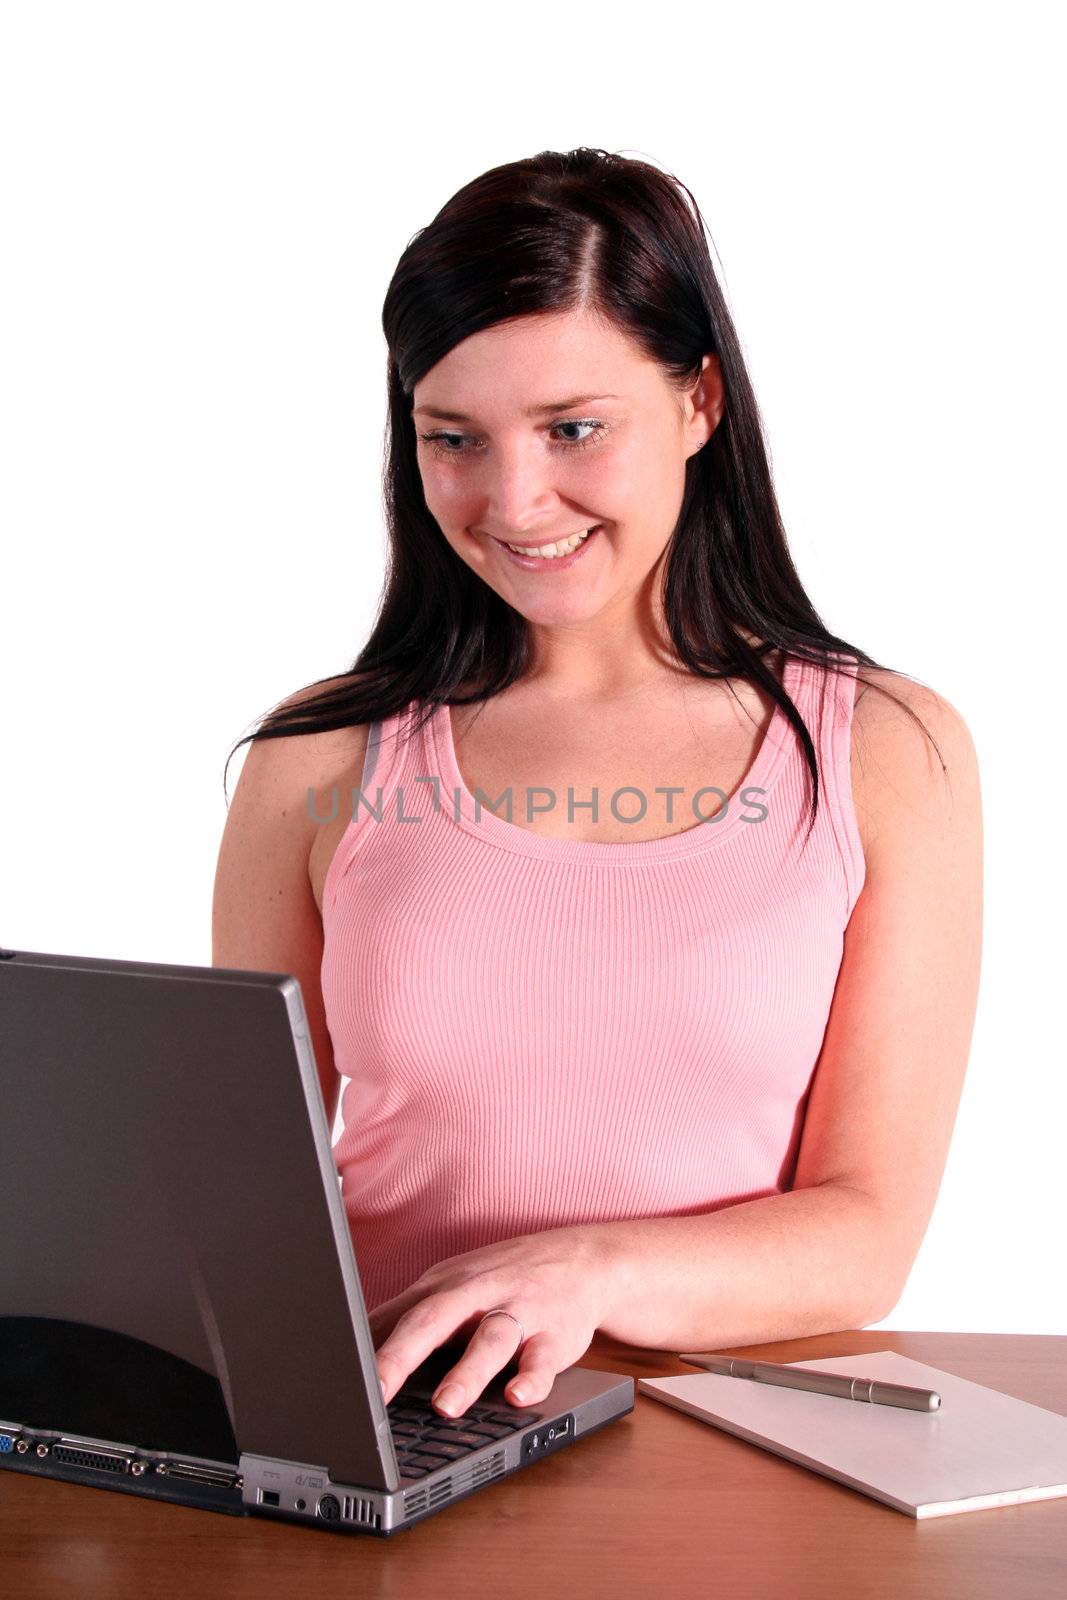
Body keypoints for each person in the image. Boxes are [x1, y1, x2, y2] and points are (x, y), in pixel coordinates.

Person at [212, 147, 982, 1425]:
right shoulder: (322, 757)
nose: (514, 502)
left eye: (573, 429)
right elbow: (251, 1189)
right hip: (394, 1433)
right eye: (453, 439)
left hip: (725, 1433)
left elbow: (866, 1233)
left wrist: (582, 1268)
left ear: (698, 405)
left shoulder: (884, 751)